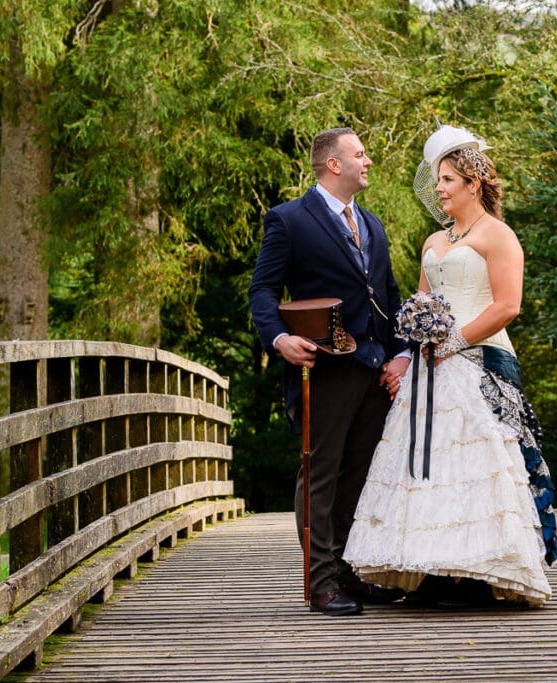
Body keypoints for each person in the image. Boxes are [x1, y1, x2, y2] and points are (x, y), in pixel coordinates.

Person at [342, 125, 557, 607]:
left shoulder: (498, 236)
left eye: (446, 180)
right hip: (430, 367)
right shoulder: (434, 240)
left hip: (478, 362)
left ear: (473, 182)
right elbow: (423, 302)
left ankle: (476, 574)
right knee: (429, 462)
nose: (438, 189)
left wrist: (455, 342)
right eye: (437, 180)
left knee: (475, 462)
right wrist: (412, 349)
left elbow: (507, 305)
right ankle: (432, 569)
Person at [249, 127, 411, 616]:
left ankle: (350, 574)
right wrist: (280, 339)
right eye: (360, 154)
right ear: (334, 164)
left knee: (360, 475)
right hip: (322, 369)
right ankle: (320, 582)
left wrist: (401, 354)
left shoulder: (372, 224)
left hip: (374, 370)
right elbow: (263, 291)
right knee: (320, 475)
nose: (368, 161)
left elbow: (389, 295)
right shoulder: (288, 219)